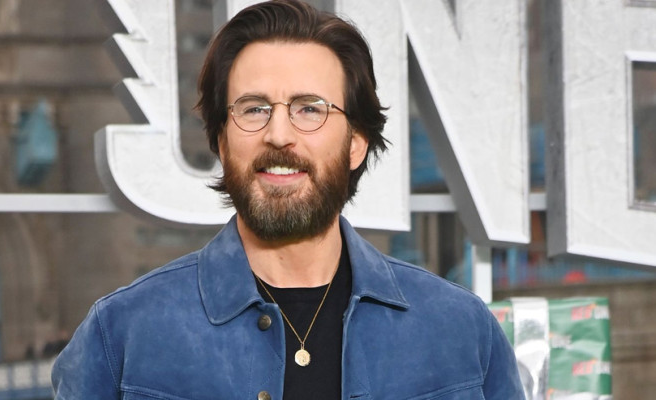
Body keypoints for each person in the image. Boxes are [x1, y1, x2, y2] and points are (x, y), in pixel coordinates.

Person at [51, 1, 525, 399]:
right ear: (221, 141)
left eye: (309, 109)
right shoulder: (122, 334)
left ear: (356, 143)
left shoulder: (460, 331)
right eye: (254, 109)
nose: (279, 134)